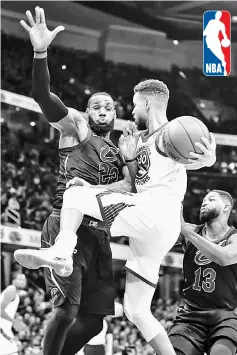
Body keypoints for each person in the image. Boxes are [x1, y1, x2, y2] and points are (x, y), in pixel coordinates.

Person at [16, 77, 217, 354]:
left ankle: (61, 250)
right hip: (155, 229)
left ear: (147, 102)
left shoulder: (175, 131)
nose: (131, 112)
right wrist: (131, 160)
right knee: (136, 310)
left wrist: (208, 160)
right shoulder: (140, 140)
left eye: (135, 105)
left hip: (154, 212)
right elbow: (133, 184)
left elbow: (197, 156)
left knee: (74, 195)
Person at [14, 7, 132, 355]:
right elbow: (43, 98)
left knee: (95, 321)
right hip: (66, 224)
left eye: (107, 107)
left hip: (99, 234)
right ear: (87, 110)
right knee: (66, 311)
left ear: (114, 114)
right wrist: (40, 53)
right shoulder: (76, 127)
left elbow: (130, 187)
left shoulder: (119, 149)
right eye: (95, 105)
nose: (100, 110)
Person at [169, 190, 237, 355]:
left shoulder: (234, 237)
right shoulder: (191, 230)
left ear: (226, 207)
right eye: (203, 200)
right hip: (190, 315)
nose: (204, 203)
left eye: (211, 199)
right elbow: (157, 232)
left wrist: (186, 232)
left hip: (225, 315)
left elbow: (225, 257)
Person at [0, 274, 28, 355]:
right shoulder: (12, 290)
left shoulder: (15, 293)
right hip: (2, 331)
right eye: (19, 279)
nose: (22, 281)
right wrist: (15, 322)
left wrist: (15, 322)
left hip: (5, 330)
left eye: (24, 280)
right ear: (13, 281)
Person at [203, 11, 229, 76]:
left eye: (219, 15)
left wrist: (226, 39)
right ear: (215, 15)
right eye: (217, 15)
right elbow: (205, 32)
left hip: (215, 39)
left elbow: (224, 33)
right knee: (216, 53)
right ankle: (223, 63)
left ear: (220, 17)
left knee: (220, 54)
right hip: (209, 39)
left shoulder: (221, 24)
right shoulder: (211, 22)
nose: (218, 16)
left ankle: (224, 65)